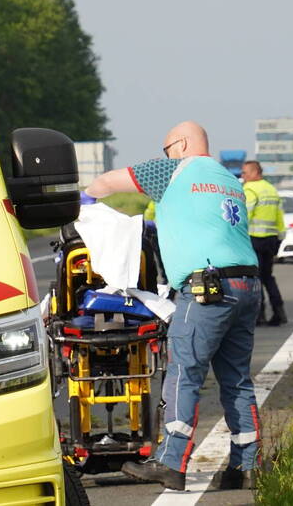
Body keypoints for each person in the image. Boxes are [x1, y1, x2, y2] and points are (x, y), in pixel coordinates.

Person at [83, 121, 262, 492]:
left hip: (207, 289)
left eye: (166, 150)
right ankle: (246, 465)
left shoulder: (174, 169)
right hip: (247, 285)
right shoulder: (229, 179)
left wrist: (86, 199)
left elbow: (106, 183)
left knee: (184, 373)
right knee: (236, 379)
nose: (164, 156)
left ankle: (170, 463)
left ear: (180, 144)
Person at [241, 160, 287, 326]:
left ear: (255, 172)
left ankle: (259, 315)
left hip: (254, 239)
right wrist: (280, 238)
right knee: (268, 277)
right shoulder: (271, 189)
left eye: (245, 172)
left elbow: (244, 216)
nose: (243, 176)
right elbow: (279, 216)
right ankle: (279, 312)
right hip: (271, 239)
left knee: (255, 278)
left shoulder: (250, 189)